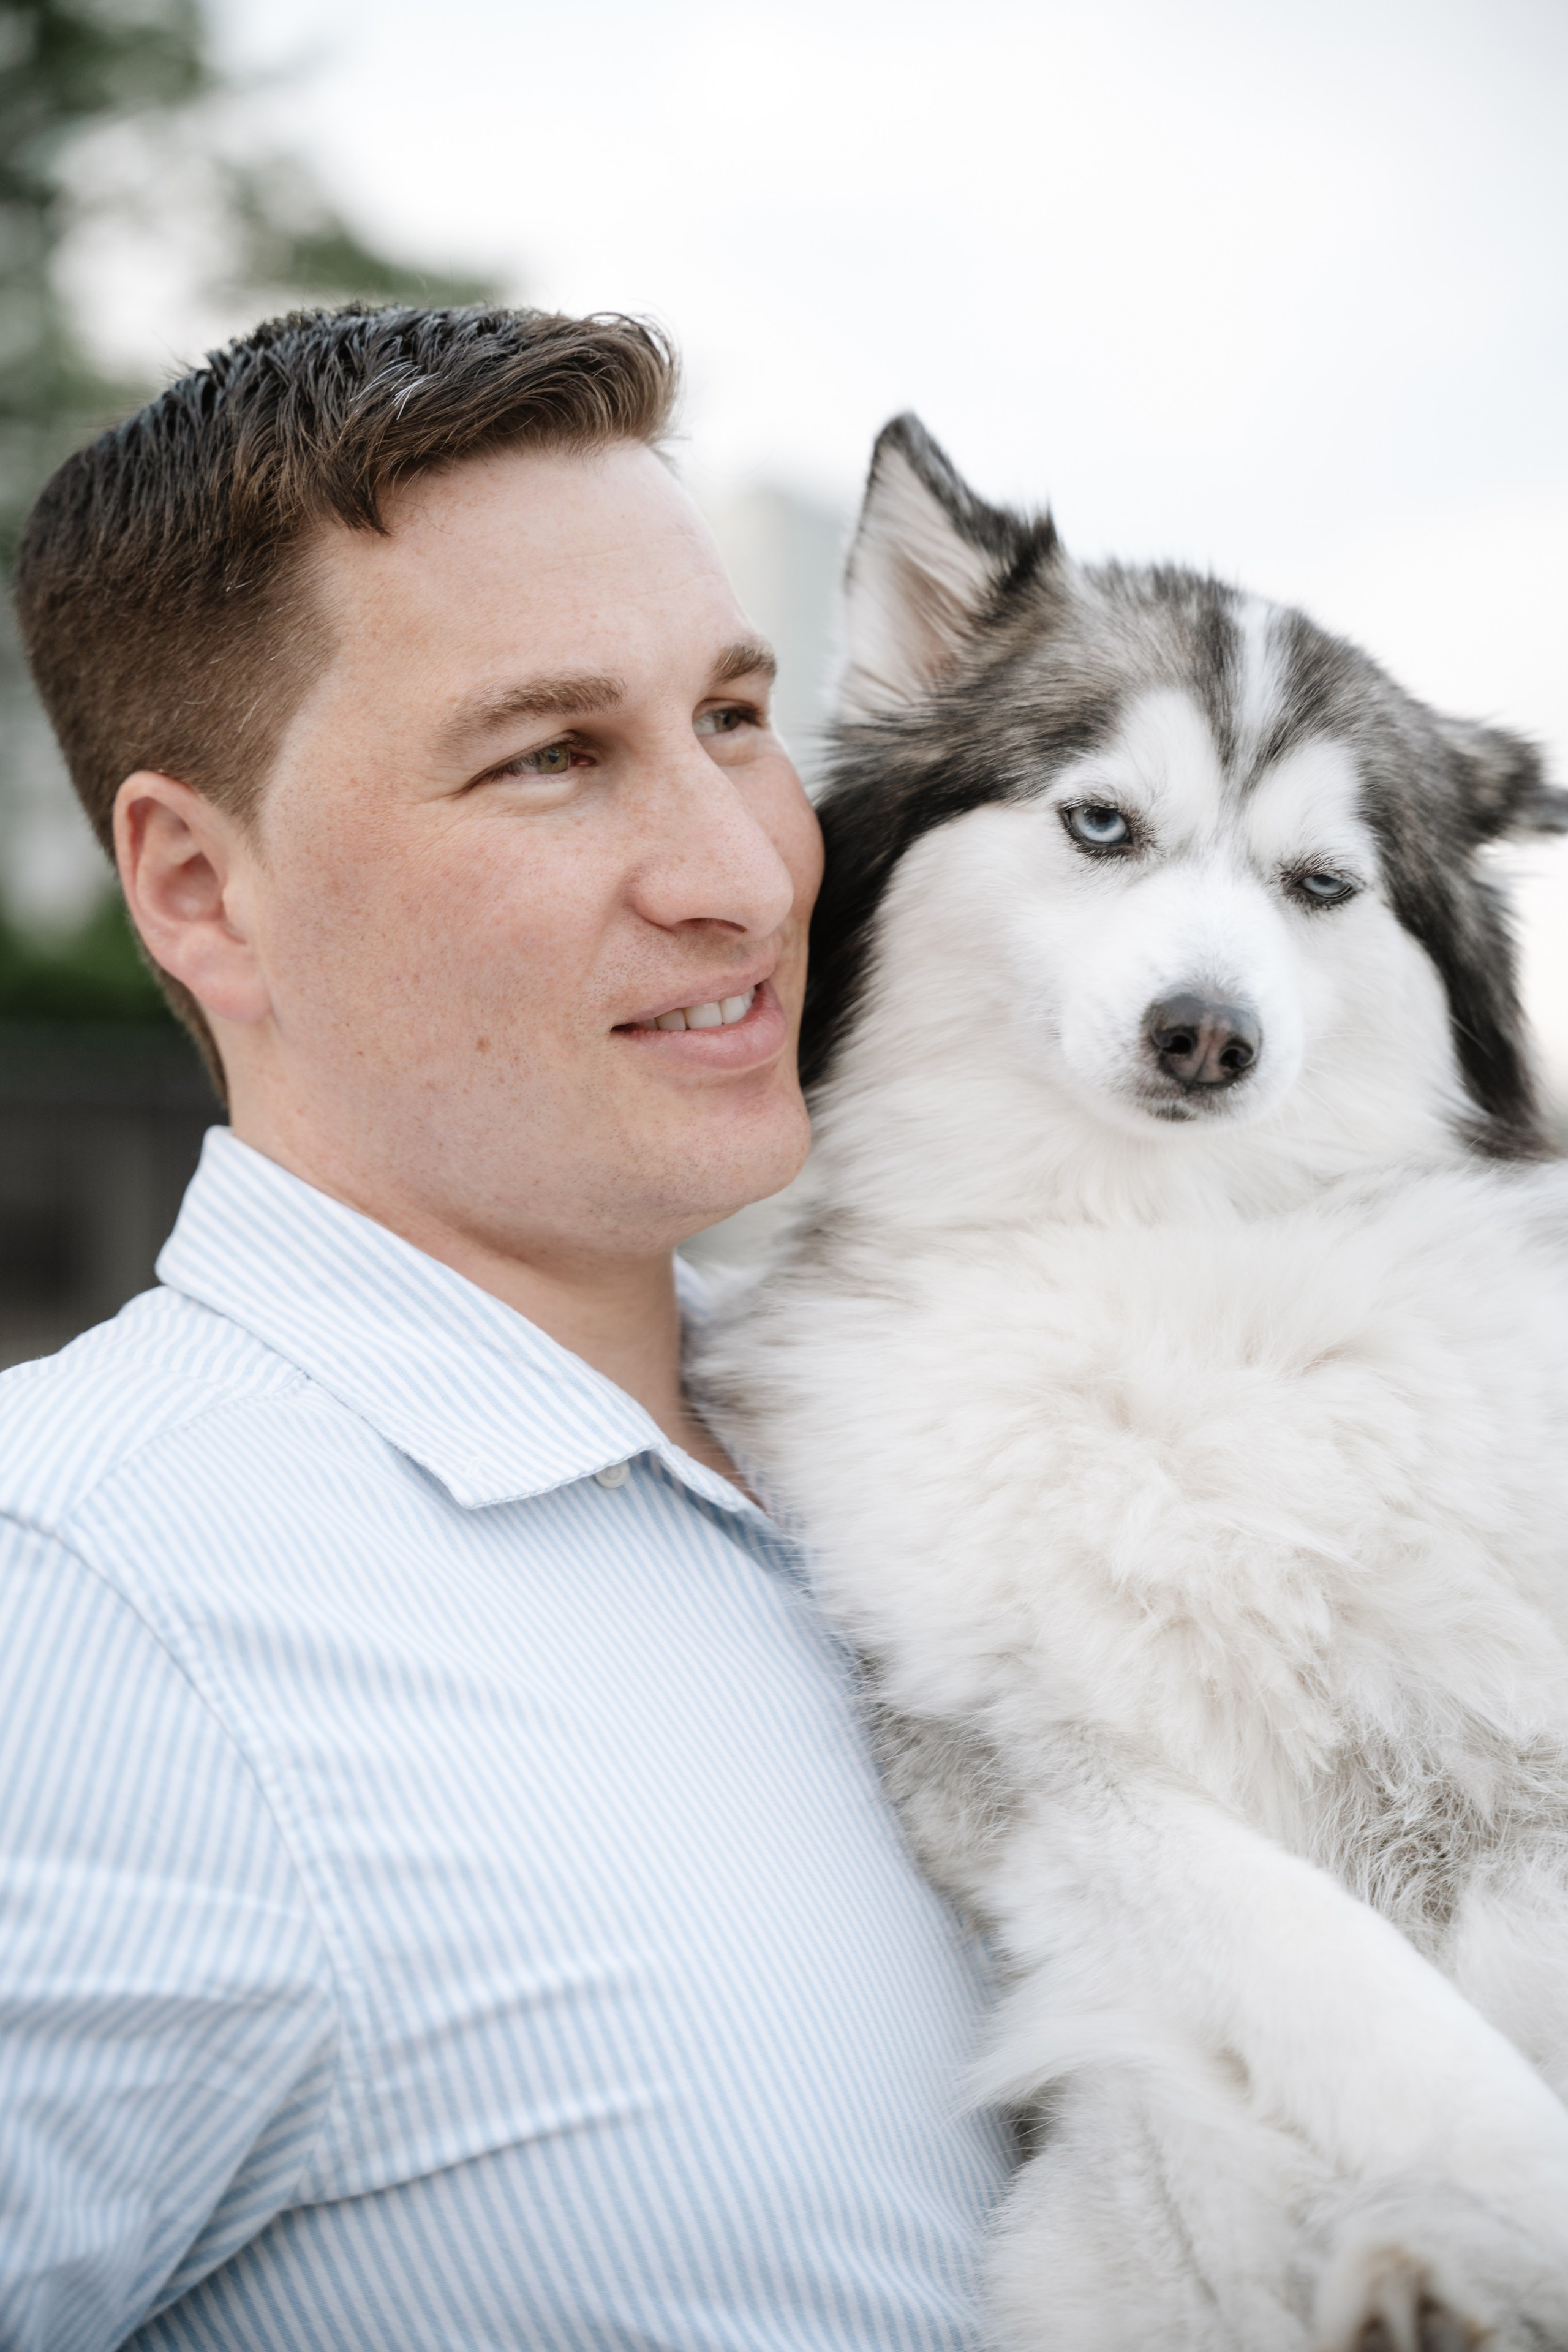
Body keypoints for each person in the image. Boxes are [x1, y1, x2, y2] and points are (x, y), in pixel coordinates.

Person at [0, 306, 1012, 2351]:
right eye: (553, 757)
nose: (746, 878)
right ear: (198, 888)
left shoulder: (955, 1440)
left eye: (734, 715)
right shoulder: (84, 1603)